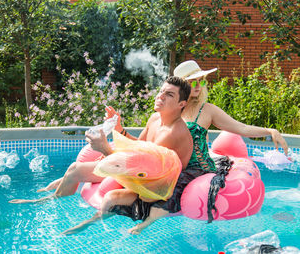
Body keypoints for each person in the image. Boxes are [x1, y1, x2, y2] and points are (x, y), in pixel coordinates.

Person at [75, 60, 289, 235]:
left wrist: (269, 131)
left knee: (166, 188)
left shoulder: (208, 110)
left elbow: (239, 127)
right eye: (192, 82)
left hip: (194, 167)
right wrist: (120, 132)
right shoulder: (164, 113)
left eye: (200, 81)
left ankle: (142, 219)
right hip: (163, 165)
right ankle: (91, 206)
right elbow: (143, 145)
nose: (197, 86)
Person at [9, 77, 194, 209]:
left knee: (80, 169)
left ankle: (48, 201)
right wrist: (120, 129)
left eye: (169, 95)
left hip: (152, 185)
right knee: (75, 169)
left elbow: (145, 171)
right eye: (161, 91)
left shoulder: (173, 133)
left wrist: (106, 150)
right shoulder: (155, 118)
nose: (160, 96)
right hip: (140, 171)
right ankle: (54, 199)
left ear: (181, 104)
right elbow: (140, 144)